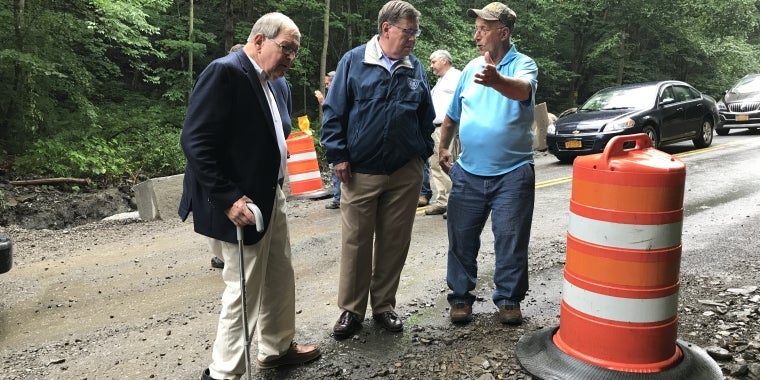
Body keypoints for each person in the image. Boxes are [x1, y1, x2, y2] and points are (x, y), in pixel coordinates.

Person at [178, 12, 321, 380]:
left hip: (272, 194)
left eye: (296, 51)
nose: (291, 57)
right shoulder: (225, 72)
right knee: (243, 288)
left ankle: (276, 349)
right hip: (241, 204)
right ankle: (224, 373)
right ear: (259, 40)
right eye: (286, 48)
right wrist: (228, 198)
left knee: (279, 274)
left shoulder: (278, 84)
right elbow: (195, 142)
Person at [320, 0, 435, 340]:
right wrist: (338, 154)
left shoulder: (415, 68)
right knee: (356, 241)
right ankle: (351, 310)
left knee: (394, 241)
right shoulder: (354, 61)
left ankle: (384, 305)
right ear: (387, 29)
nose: (413, 38)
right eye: (408, 31)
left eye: (416, 32)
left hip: (405, 171)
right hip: (360, 171)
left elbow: (425, 115)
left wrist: (421, 153)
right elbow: (334, 112)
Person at [438, 2, 538, 326]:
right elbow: (452, 114)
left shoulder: (524, 65)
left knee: (510, 239)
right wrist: (443, 147)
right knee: (461, 239)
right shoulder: (469, 69)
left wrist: (496, 80)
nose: (476, 35)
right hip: (468, 171)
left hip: (513, 173)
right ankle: (461, 298)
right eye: (476, 28)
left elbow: (523, 91)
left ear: (503, 32)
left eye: (483, 29)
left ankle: (509, 300)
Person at [209, 42, 247, 271]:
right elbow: (197, 141)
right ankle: (221, 256)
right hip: (223, 172)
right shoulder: (220, 76)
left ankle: (221, 256)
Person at [425, 49, 462, 217]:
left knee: (448, 163)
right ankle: (443, 201)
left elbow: (464, 99)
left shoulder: (456, 77)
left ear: (444, 61)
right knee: (436, 164)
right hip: (434, 128)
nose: (431, 65)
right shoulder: (441, 81)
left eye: (433, 62)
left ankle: (455, 202)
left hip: (448, 128)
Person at [315, 71, 341, 210]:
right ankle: (339, 198)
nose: (326, 86)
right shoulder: (336, 94)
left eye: (327, 83)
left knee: (335, 168)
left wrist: (322, 101)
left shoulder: (338, 95)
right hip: (333, 139)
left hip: (337, 141)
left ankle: (338, 199)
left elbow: (332, 116)